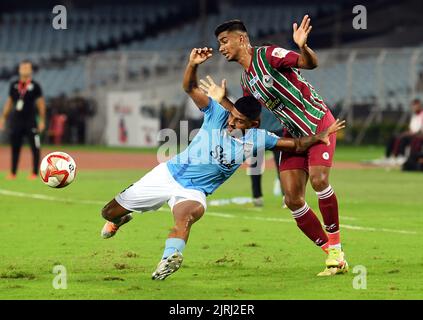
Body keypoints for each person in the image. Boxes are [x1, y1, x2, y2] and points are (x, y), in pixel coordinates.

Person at [99, 47, 345, 280]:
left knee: (184, 218)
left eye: (239, 122)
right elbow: (189, 87)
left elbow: (298, 145)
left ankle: (169, 258)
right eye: (233, 117)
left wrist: (320, 136)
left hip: (194, 192)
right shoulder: (217, 113)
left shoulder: (259, 138)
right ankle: (120, 218)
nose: (232, 123)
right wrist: (192, 65)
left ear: (253, 125)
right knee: (107, 212)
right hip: (167, 175)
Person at [209, 16, 347, 276]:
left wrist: (303, 46)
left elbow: (310, 63)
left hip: (318, 124)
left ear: (242, 39)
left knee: (319, 181)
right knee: (292, 199)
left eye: (224, 41)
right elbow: (247, 120)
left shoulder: (269, 55)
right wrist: (223, 101)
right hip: (293, 135)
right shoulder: (247, 81)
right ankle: (333, 257)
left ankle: (337, 247)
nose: (221, 48)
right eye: (219, 43)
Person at [0, 60, 46, 180]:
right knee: (15, 147)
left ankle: (35, 173)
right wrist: (3, 118)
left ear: (31, 70)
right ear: (19, 70)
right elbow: (9, 103)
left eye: (27, 67)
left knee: (35, 147)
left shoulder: (35, 86)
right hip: (17, 121)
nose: (25, 69)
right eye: (23, 67)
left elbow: (41, 104)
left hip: (31, 120)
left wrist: (41, 120)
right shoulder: (14, 85)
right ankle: (13, 173)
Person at [384, 98, 423, 165]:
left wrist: (410, 133)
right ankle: (387, 156)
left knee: (403, 138)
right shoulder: (414, 116)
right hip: (412, 134)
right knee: (394, 136)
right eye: (413, 105)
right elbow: (411, 128)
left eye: (416, 105)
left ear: (419, 106)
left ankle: (401, 156)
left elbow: (419, 130)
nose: (414, 107)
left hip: (419, 136)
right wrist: (408, 132)